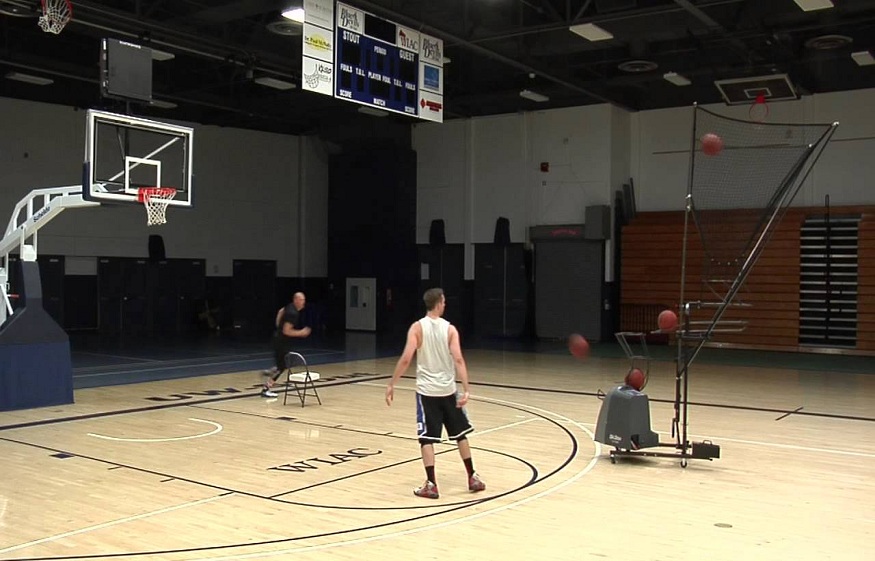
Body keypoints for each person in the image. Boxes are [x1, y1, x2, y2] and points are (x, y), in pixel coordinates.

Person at [385, 287, 485, 498]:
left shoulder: (416, 328)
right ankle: (473, 476)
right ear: (438, 303)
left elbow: (406, 358)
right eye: (444, 301)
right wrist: (466, 388)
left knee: (427, 439)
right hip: (448, 390)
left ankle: (431, 483)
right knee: (461, 434)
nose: (445, 304)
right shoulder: (450, 330)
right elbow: (458, 359)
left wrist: (392, 383)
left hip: (427, 392)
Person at [262, 292, 311, 398]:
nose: (303, 303)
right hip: (281, 342)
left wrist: (278, 326)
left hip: (279, 339)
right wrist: (301, 333)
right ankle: (266, 388)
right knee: (282, 366)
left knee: (283, 364)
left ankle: (271, 371)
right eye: (302, 300)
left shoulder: (289, 307)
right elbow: (287, 331)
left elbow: (280, 311)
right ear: (296, 300)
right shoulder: (293, 313)